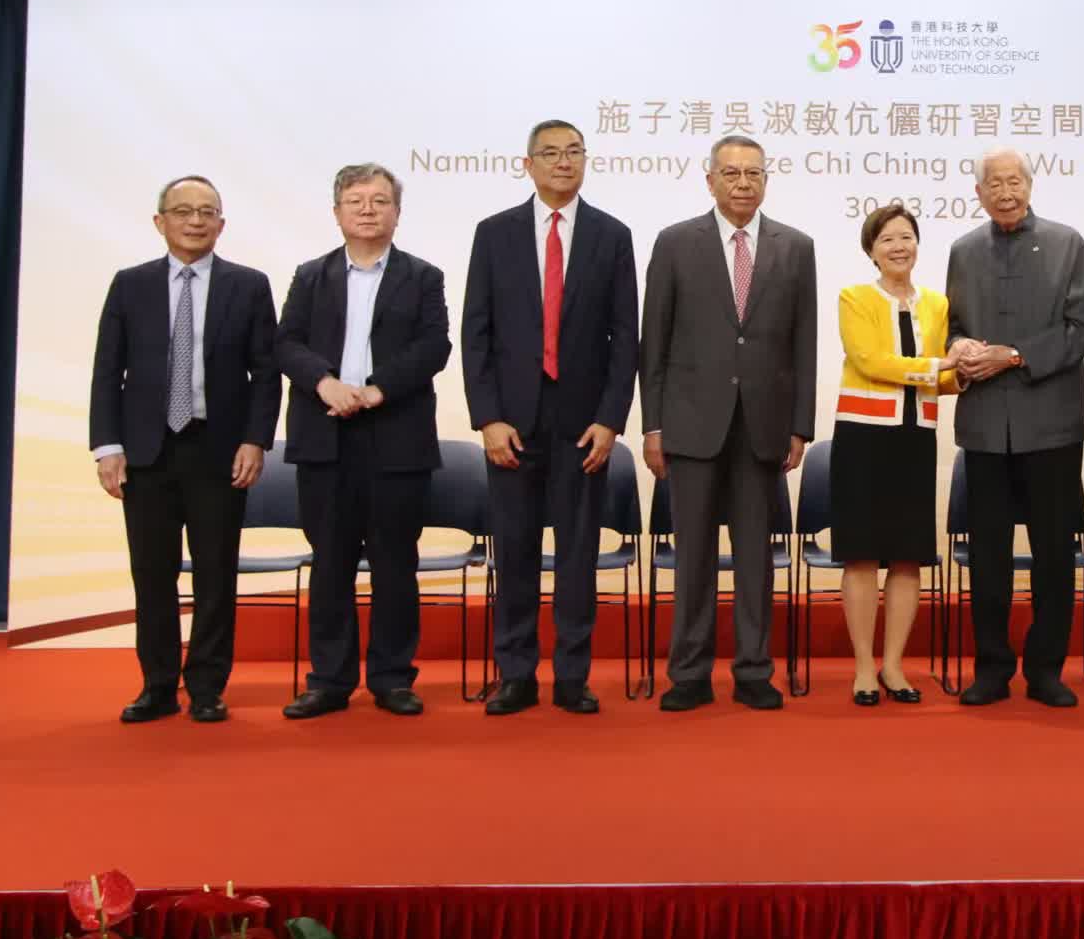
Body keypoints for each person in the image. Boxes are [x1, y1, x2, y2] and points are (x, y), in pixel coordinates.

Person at [461, 119, 638, 716]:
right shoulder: (495, 233)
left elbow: (626, 338)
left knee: (577, 556)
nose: (564, 162)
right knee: (514, 552)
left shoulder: (612, 235)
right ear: (528, 164)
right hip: (511, 425)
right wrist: (487, 418)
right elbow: (476, 332)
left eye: (574, 152)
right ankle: (515, 674)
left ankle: (571, 675)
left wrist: (611, 419)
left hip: (583, 426)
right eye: (551, 153)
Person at [89, 175, 280, 724]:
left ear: (221, 223)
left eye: (207, 212)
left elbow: (266, 374)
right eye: (183, 211)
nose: (196, 221)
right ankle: (156, 685)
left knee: (216, 573)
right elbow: (108, 371)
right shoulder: (131, 285)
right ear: (160, 221)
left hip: (218, 450)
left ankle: (207, 687)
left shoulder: (249, 285)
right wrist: (107, 446)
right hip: (146, 452)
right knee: (152, 573)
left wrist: (255, 440)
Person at [642, 134, 817, 712]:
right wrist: (652, 426)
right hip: (690, 424)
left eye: (753, 173)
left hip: (763, 427)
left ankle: (753, 671)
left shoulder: (796, 247)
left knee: (754, 560)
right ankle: (689, 674)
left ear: (766, 179)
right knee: (692, 556)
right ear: (710, 179)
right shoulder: (675, 242)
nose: (743, 183)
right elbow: (654, 341)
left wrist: (799, 426)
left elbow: (804, 343)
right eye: (732, 173)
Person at [275, 164, 451, 719]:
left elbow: (435, 347)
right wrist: (323, 382)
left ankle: (393, 678)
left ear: (397, 212)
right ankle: (329, 681)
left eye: (380, 200)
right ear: (337, 213)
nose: (368, 209)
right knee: (331, 563)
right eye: (356, 201)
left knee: (395, 564)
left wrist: (378, 390)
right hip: (324, 435)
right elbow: (285, 343)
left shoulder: (423, 276)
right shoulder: (311, 275)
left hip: (395, 436)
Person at [945, 147, 1084, 708]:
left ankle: (1046, 670)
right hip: (986, 428)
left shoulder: (1066, 243)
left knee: (1054, 555)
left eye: (1014, 182)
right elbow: (951, 326)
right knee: (988, 556)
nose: (1005, 192)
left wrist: (1014, 355)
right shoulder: (964, 251)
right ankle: (991, 669)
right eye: (995, 183)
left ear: (1030, 186)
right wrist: (959, 346)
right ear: (979, 193)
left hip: (1051, 426)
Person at [831, 203, 963, 705]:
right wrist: (938, 367)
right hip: (863, 436)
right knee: (863, 553)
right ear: (871, 250)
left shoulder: (937, 303)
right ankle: (864, 666)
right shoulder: (855, 297)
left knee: (909, 556)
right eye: (887, 239)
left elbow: (942, 376)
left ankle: (893, 665)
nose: (898, 247)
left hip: (915, 438)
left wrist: (966, 371)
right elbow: (869, 360)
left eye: (906, 237)